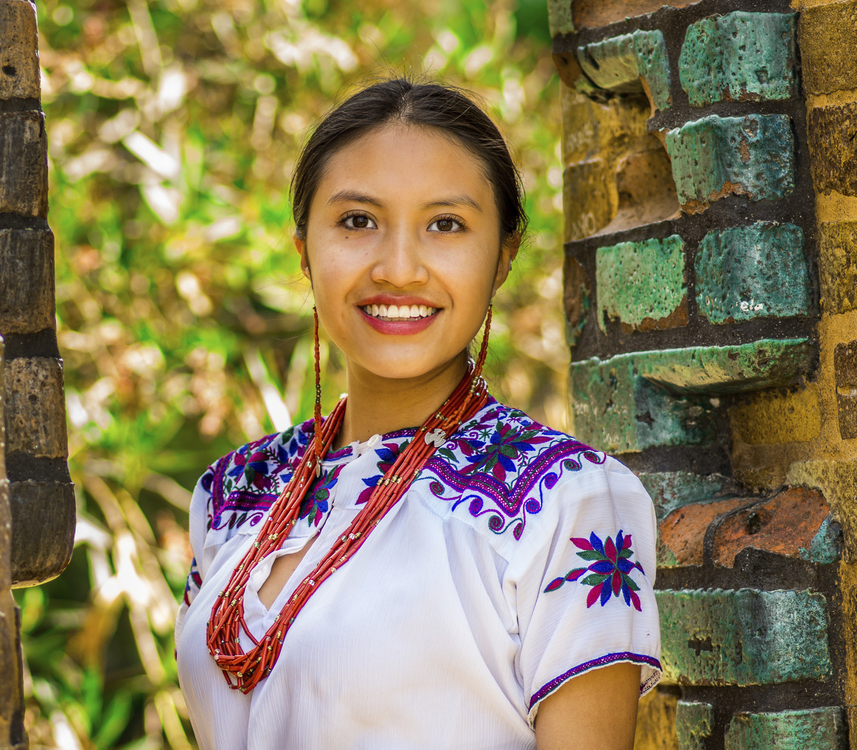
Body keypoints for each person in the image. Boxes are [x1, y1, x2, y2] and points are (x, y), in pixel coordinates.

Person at [175, 77, 661, 750]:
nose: (398, 269)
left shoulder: (570, 501)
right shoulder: (233, 494)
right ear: (304, 251)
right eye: (357, 222)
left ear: (503, 259)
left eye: (445, 225)